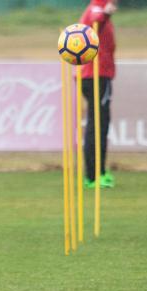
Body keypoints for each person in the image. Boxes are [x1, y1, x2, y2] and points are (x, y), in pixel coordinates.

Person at [80, 0, 117, 188]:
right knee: (98, 126)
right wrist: (106, 13)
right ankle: (94, 175)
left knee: (99, 125)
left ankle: (98, 172)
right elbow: (96, 20)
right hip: (96, 76)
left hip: (96, 76)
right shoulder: (98, 6)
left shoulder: (97, 6)